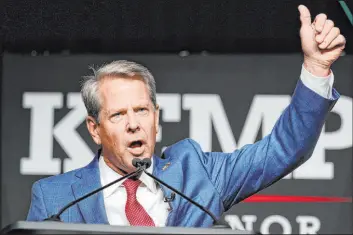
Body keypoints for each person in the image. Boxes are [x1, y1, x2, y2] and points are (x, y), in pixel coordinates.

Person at [27, 5, 346, 227]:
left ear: (157, 117)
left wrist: (316, 69)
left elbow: (284, 149)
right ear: (94, 129)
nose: (134, 123)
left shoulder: (197, 173)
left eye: (141, 110)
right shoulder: (56, 198)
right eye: (119, 115)